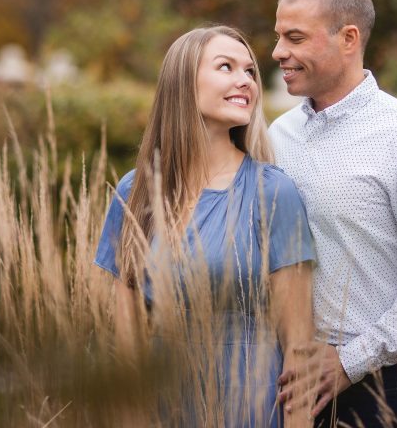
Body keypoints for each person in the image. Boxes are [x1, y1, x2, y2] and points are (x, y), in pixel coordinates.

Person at [268, 0, 397, 427]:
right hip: (286, 378)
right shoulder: (276, 136)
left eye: (294, 37)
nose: (278, 51)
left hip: (383, 384)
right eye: (278, 36)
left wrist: (350, 361)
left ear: (349, 38)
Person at [94, 25, 318, 427]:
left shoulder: (273, 192)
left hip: (250, 406)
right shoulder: (138, 191)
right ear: (183, 83)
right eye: (226, 67)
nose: (244, 81)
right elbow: (123, 344)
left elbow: (299, 346)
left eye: (249, 71)